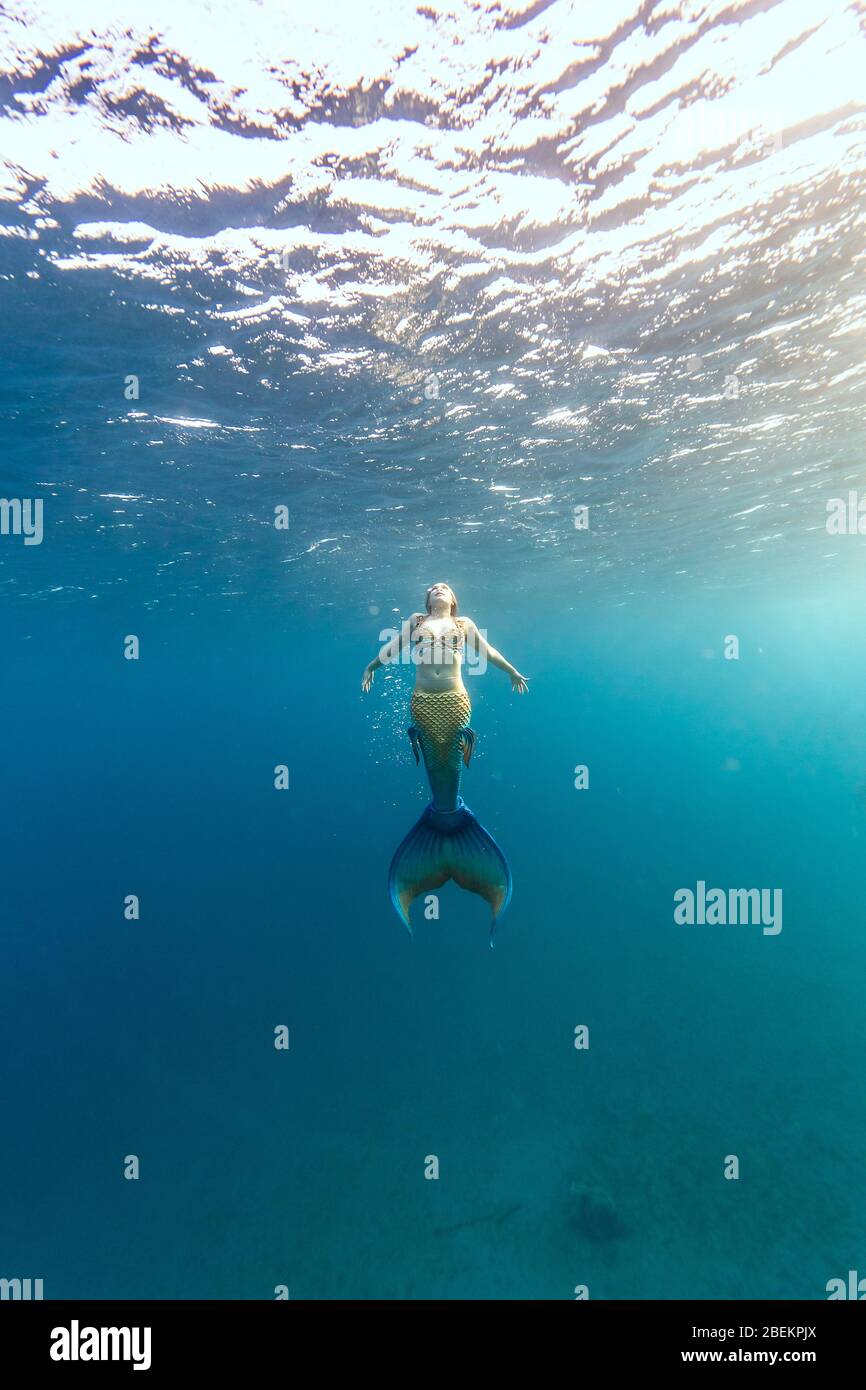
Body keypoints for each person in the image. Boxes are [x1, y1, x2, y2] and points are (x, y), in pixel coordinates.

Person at [362, 582, 528, 940]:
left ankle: (450, 823)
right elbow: (394, 647)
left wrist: (512, 671)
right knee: (434, 763)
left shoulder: (463, 624)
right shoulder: (416, 621)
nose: (438, 588)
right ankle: (444, 824)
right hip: (423, 701)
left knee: (451, 759)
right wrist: (372, 666)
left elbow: (488, 651)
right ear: (427, 599)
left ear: (453, 600)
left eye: (444, 587)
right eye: (432, 587)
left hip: (454, 701)